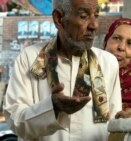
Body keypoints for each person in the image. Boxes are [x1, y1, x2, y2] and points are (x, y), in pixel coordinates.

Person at [3, 0, 122, 141]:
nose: (94, 25)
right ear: (59, 19)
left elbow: (115, 127)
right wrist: (52, 107)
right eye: (83, 16)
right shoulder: (29, 59)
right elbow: (15, 121)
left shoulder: (108, 63)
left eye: (96, 15)